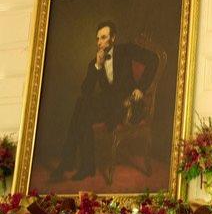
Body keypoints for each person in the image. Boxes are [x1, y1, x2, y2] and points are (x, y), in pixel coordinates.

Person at [50, 21, 158, 181]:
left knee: (82, 110)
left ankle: (72, 163)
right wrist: (98, 66)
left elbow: (153, 59)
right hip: (109, 106)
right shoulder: (95, 61)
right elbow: (86, 91)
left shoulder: (126, 50)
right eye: (97, 38)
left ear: (113, 38)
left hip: (128, 105)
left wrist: (140, 88)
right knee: (82, 104)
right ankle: (82, 165)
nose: (99, 42)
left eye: (103, 37)